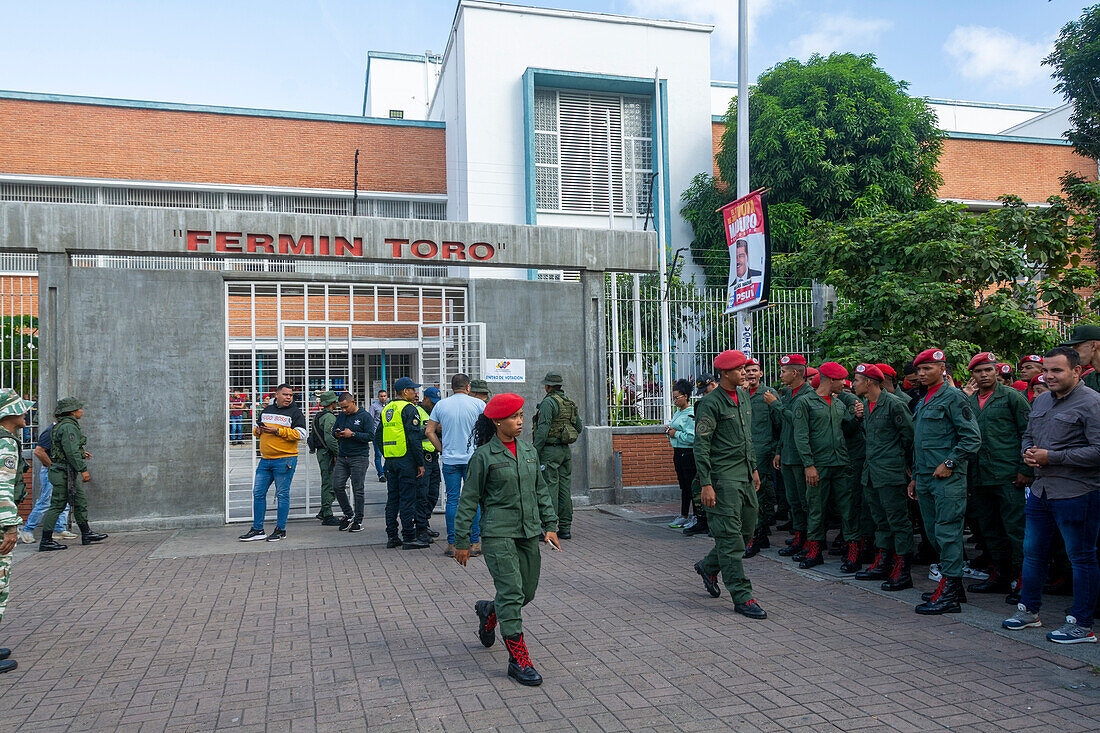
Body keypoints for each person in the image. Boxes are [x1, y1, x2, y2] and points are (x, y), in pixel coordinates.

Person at [455, 393, 560, 686]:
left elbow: (541, 490)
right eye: (514, 417)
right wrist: (462, 539)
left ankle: (490, 611)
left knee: (526, 593)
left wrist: (550, 524)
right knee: (512, 594)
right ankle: (518, 660)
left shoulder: (529, 451)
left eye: (521, 415)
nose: (520, 421)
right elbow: (469, 499)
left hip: (528, 533)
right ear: (498, 421)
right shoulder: (483, 456)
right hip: (498, 534)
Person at [1004, 347, 1100, 644]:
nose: (1048, 376)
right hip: (1041, 490)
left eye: (1057, 370)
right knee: (1033, 554)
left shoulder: (1092, 404)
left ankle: (1082, 625)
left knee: (1081, 558)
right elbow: (1029, 434)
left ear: (1077, 371)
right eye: (1046, 370)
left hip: (1077, 493)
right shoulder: (1043, 399)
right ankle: (1029, 611)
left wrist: (1052, 457)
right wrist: (1028, 454)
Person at [691, 350, 766, 620]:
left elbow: (747, 437)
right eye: (739, 369)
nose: (745, 373)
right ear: (725, 373)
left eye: (746, 368)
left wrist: (754, 469)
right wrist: (706, 484)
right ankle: (742, 596)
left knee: (746, 532)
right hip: (723, 480)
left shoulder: (743, 396)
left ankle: (709, 566)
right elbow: (702, 447)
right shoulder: (710, 404)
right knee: (731, 539)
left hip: (745, 476)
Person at [909, 348, 982, 615]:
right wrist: (916, 477)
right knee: (933, 534)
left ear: (943, 370)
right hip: (926, 478)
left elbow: (971, 439)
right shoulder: (925, 399)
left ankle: (949, 591)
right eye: (919, 369)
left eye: (927, 368)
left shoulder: (953, 397)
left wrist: (949, 463)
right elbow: (920, 444)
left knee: (948, 533)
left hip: (947, 479)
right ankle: (953, 585)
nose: (921, 373)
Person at [962, 352, 1031, 601]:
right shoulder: (968, 402)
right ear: (973, 375)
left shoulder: (1012, 397)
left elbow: (1028, 433)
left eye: (989, 370)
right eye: (979, 371)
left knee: (1016, 530)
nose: (984, 375)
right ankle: (1000, 576)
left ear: (997, 372)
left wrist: (1026, 470)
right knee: (989, 530)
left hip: (1008, 475)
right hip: (979, 476)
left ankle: (1024, 580)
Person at [852, 364, 915, 591]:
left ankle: (902, 568)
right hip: (872, 473)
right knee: (881, 521)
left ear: (869, 382)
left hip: (891, 472)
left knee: (898, 521)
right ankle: (884, 561)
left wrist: (905, 464)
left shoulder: (894, 404)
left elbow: (909, 437)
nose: (854, 384)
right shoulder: (868, 406)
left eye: (857, 380)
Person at [792, 361, 859, 571]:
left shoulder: (839, 404)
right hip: (818, 466)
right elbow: (801, 436)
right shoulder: (805, 402)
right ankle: (814, 550)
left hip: (841, 464)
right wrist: (808, 465)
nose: (844, 384)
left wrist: (856, 419)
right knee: (816, 509)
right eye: (841, 380)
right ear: (830, 380)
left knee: (848, 510)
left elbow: (846, 431)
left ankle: (853, 552)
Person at [237, 384, 306, 543]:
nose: (289, 397)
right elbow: (256, 428)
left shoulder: (295, 413)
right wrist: (258, 431)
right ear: (276, 395)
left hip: (285, 459)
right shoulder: (267, 410)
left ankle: (280, 529)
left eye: (290, 395)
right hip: (265, 459)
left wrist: (277, 431)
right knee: (258, 493)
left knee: (282, 495)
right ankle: (257, 529)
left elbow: (301, 434)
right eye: (285, 394)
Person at [427, 374, 486, 558]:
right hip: (472, 459)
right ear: (468, 387)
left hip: (450, 460)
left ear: (452, 387)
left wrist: (442, 449)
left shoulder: (441, 405)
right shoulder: (478, 405)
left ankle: (452, 544)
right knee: (473, 500)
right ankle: (474, 543)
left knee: (452, 500)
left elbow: (429, 431)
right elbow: (488, 429)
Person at [40, 398, 106, 551]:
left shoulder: (64, 425)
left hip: (67, 471)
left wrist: (81, 453)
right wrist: (83, 469)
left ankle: (86, 533)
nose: (81, 411)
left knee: (80, 501)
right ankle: (45, 541)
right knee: (57, 505)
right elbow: (70, 451)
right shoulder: (69, 427)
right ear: (71, 411)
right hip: (62, 472)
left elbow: (67, 448)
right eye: (78, 409)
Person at [0, 388, 33, 673]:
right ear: (9, 413)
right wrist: (10, 526)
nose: (25, 413)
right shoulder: (5, 443)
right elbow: (2, 488)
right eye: (21, 409)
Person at [768, 354, 812, 558]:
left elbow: (795, 420)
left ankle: (810, 541)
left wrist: (776, 404)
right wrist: (778, 451)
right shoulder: (788, 394)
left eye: (784, 371)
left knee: (805, 502)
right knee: (793, 501)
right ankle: (799, 537)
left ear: (795, 373)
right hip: (787, 455)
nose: (781, 374)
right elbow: (784, 428)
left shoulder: (807, 395)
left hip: (800, 457)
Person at [377, 377, 427, 549]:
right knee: (407, 499)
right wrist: (420, 463)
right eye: (413, 389)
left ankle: (392, 536)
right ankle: (409, 537)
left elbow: (378, 436)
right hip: (406, 461)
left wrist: (387, 453)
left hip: (391, 461)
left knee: (393, 499)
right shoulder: (409, 409)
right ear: (405, 392)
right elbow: (414, 438)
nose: (415, 393)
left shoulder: (387, 409)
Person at [533, 372, 583, 540]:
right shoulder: (569, 402)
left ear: (548, 386)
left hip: (550, 451)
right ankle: (565, 528)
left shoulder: (548, 403)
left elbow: (543, 430)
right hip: (565, 451)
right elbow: (579, 427)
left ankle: (549, 527)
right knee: (564, 490)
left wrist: (535, 451)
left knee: (549, 489)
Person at [18, 420, 76, 543]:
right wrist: (52, 466)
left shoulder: (59, 431)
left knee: (63, 500)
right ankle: (27, 529)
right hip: (51, 471)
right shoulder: (50, 431)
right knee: (46, 501)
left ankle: (59, 529)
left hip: (59, 470)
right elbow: (38, 451)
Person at [744, 359, 780, 557]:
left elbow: (778, 425)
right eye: (747, 370)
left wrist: (777, 450)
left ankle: (755, 536)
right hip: (745, 451)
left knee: (756, 493)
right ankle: (761, 534)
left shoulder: (768, 394)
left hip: (763, 451)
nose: (751, 374)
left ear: (761, 373)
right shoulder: (741, 394)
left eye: (754, 370)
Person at [331, 392, 373, 533]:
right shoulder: (342, 416)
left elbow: (370, 436)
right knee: (337, 485)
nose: (343, 410)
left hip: (359, 457)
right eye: (341, 408)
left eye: (346, 407)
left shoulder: (365, 416)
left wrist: (353, 434)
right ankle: (348, 514)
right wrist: (337, 433)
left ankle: (358, 520)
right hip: (343, 456)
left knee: (358, 489)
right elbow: (334, 430)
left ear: (353, 402)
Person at [665, 379, 696, 529]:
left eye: (677, 397)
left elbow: (691, 437)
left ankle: (696, 516)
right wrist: (669, 432)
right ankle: (683, 515)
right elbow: (673, 431)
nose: (675, 401)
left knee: (691, 486)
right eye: (673, 398)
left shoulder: (691, 414)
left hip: (687, 453)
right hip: (677, 452)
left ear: (685, 396)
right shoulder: (678, 413)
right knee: (684, 486)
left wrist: (675, 434)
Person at [415, 388, 442, 541]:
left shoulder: (435, 412)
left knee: (433, 493)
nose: (433, 405)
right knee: (422, 494)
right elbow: (413, 434)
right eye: (432, 402)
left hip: (433, 456)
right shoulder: (416, 412)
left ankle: (425, 523)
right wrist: (431, 429)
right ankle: (420, 527)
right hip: (422, 457)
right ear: (425, 398)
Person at [312, 391, 342, 526]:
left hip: (322, 452)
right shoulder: (329, 417)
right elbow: (330, 439)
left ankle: (324, 510)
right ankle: (327, 513)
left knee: (328, 481)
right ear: (332, 403)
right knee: (329, 483)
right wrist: (337, 453)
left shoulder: (319, 415)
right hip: (328, 453)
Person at [368, 389, 389, 482]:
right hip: (377, 434)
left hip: (388, 434)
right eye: (381, 396)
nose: (383, 398)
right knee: (378, 455)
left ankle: (385, 471)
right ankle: (380, 474)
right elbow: (370, 420)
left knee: (388, 454)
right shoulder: (374, 406)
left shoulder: (389, 406)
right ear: (378, 397)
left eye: (384, 396)